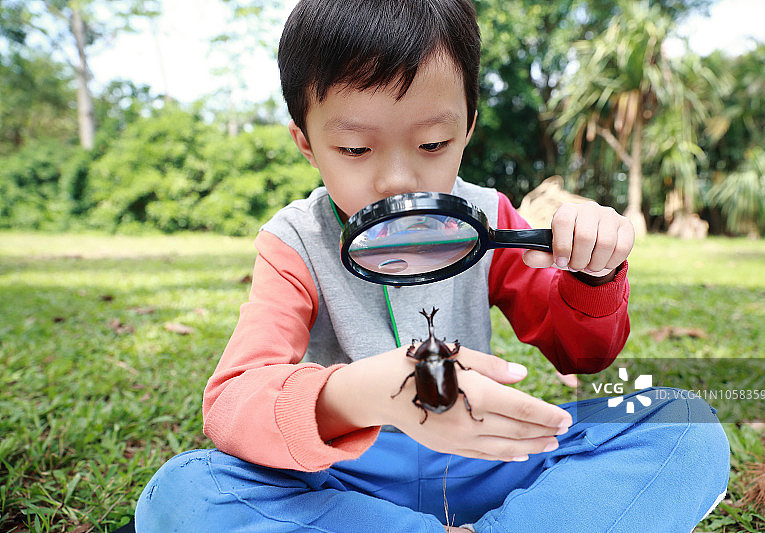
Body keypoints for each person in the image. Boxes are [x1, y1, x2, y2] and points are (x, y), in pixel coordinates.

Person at [134, 1, 730, 531]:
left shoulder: (488, 216)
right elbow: (236, 400)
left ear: (468, 127)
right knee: (186, 490)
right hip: (348, 476)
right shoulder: (294, 242)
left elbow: (583, 355)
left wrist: (592, 276)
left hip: (489, 453)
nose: (397, 179)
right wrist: (368, 393)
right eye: (355, 150)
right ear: (306, 143)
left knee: (683, 425)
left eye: (432, 145)